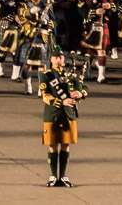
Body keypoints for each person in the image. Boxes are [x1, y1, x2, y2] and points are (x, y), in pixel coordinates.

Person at [39, 45, 87, 188]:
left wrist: (80, 94)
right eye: (55, 58)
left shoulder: (71, 75)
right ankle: (53, 175)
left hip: (68, 114)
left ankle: (63, 175)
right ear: (51, 59)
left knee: (65, 145)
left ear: (63, 58)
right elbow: (45, 96)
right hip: (52, 114)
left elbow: (83, 88)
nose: (58, 60)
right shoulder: (46, 75)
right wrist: (62, 101)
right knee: (52, 145)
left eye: (60, 57)